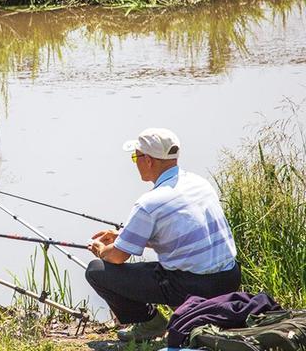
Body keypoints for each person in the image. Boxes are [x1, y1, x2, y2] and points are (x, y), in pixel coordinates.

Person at [85, 127, 240, 342]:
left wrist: (101, 250)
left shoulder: (149, 203)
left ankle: (150, 323)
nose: (135, 162)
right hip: (229, 279)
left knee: (97, 271)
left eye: (135, 157)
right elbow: (178, 234)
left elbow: (116, 257)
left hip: (193, 285)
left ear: (148, 160)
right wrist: (122, 235)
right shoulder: (199, 183)